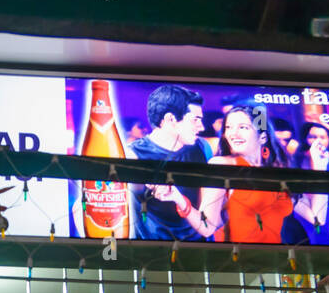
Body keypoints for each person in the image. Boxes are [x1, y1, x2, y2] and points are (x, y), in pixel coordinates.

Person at [169, 103, 303, 244]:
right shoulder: (221, 165)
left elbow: (316, 216)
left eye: (243, 127)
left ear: (263, 137)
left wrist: (319, 164)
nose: (233, 134)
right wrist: (178, 199)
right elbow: (207, 227)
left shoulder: (277, 169)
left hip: (279, 259)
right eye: (228, 128)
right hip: (238, 260)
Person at [127, 84, 207, 243]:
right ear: (170, 119)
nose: (202, 127)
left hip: (202, 249)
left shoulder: (201, 147)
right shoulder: (133, 154)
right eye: (195, 120)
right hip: (152, 254)